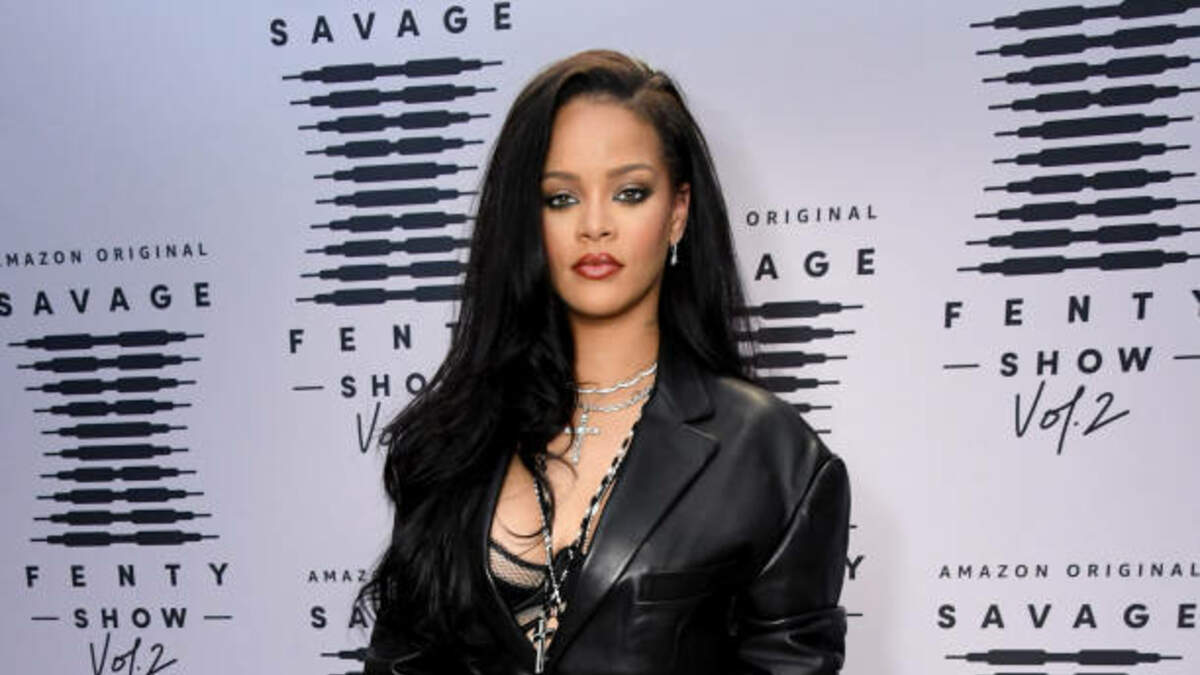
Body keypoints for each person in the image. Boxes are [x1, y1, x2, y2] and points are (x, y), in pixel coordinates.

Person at [362, 49, 851, 675]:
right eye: (561, 198)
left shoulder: (771, 455)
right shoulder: (455, 436)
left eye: (629, 193)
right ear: (527, 220)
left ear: (677, 212)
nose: (595, 225)